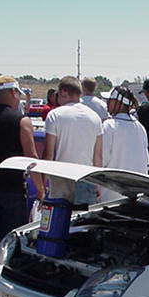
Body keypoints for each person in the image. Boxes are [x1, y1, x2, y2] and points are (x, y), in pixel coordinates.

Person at [0, 75, 44, 280]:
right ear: (13, 93)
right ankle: (7, 282)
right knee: (11, 241)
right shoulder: (21, 121)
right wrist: (41, 189)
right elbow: (32, 158)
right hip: (11, 189)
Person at [44, 76, 103, 204]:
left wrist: (44, 183)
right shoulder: (95, 118)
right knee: (83, 216)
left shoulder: (54, 115)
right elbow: (98, 156)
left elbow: (48, 154)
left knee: (60, 215)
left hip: (61, 177)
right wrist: (98, 185)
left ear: (63, 92)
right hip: (86, 177)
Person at [100, 86, 149, 201]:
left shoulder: (109, 126)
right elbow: (146, 163)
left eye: (110, 100)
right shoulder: (140, 127)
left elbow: (102, 160)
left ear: (118, 102)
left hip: (112, 192)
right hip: (137, 192)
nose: (107, 103)